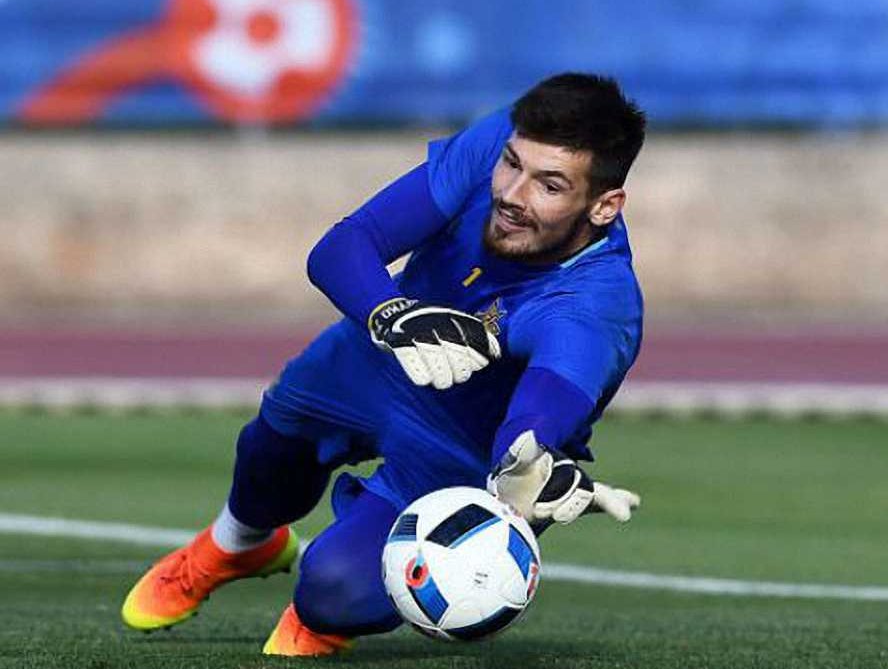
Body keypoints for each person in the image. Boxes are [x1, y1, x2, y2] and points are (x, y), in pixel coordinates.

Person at [120, 72, 647, 656]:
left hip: (464, 446)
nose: (512, 195)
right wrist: (390, 314)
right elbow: (343, 247)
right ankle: (238, 544)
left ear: (605, 206)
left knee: (334, 593)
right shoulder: (501, 140)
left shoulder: (597, 304)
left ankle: (322, 613)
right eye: (512, 165)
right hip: (379, 357)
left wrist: (522, 467)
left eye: (549, 186)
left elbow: (543, 407)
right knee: (269, 451)